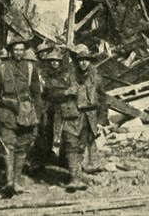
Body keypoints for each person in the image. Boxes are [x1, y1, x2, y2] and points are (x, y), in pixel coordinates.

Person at [0, 37, 42, 196]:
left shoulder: (31, 68)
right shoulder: (2, 68)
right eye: (15, 50)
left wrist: (36, 114)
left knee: (22, 148)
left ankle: (17, 182)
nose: (18, 52)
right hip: (6, 113)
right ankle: (9, 181)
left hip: (26, 114)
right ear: (10, 51)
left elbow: (37, 94)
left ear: (24, 51)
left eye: (21, 50)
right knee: (7, 146)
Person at [61, 45, 108, 192]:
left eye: (86, 60)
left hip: (90, 117)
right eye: (81, 60)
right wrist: (67, 92)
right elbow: (56, 93)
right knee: (71, 144)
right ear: (77, 61)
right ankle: (73, 178)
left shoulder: (96, 79)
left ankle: (78, 176)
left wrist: (101, 120)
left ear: (90, 62)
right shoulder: (68, 77)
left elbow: (102, 100)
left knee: (82, 146)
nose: (83, 63)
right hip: (73, 116)